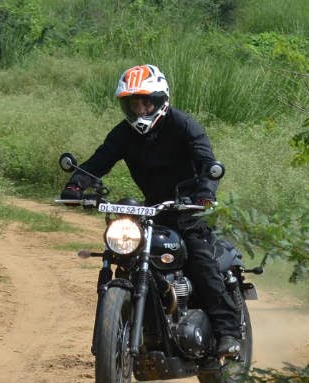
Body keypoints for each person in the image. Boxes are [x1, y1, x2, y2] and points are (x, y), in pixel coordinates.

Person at [59, 64, 241, 357]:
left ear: (159, 100)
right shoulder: (123, 134)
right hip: (153, 210)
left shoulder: (184, 125)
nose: (139, 108)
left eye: (145, 101)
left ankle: (228, 333)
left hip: (189, 208)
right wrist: (76, 186)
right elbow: (98, 163)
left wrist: (205, 192)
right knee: (123, 254)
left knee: (200, 261)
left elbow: (208, 163)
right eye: (133, 103)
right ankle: (134, 329)